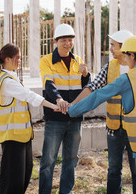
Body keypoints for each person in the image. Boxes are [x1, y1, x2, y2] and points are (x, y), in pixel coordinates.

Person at [68, 36, 136, 194]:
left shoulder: (128, 79)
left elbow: (98, 96)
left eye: (126, 56)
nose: (125, 60)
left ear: (132, 56)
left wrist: (72, 110)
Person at [72, 29, 136, 194]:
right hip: (114, 127)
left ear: (124, 47)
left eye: (113, 46)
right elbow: (93, 88)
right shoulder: (110, 67)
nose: (110, 49)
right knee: (114, 169)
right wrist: (73, 104)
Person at [0, 43, 59, 194]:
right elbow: (29, 96)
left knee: (23, 174)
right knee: (13, 179)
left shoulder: (11, 78)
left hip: (21, 136)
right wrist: (54, 106)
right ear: (8, 59)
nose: (20, 61)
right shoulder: (7, 81)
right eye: (17, 58)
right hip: (12, 137)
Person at [39, 23, 90, 194]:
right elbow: (48, 84)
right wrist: (58, 99)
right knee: (48, 160)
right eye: (63, 40)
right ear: (55, 41)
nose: (67, 43)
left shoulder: (78, 61)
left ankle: (65, 192)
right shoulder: (46, 61)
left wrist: (85, 75)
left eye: (70, 40)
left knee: (71, 159)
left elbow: (86, 87)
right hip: (55, 118)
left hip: (75, 118)